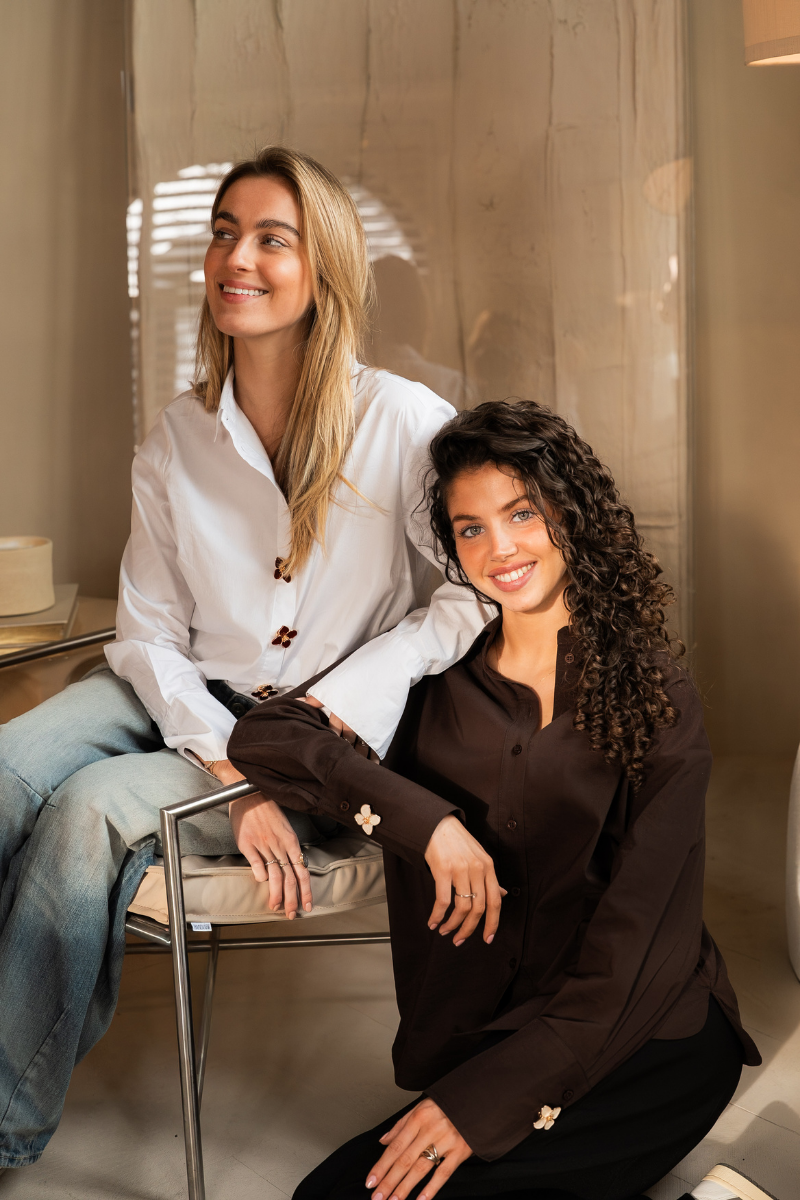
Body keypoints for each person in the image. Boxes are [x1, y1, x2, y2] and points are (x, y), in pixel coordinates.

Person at [0, 146, 488, 1173]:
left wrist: (341, 708)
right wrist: (232, 770)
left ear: (325, 267)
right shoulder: (179, 436)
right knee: (6, 773)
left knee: (85, 812)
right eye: (225, 232)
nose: (237, 257)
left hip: (317, 737)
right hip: (175, 693)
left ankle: (3, 1121)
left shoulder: (403, 423)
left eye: (272, 238)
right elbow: (146, 634)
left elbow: (471, 592)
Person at [228, 400, 771, 1200]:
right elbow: (269, 736)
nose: (500, 548)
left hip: (647, 1031)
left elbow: (636, 938)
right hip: (494, 1031)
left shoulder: (657, 695)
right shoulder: (428, 677)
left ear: (570, 513)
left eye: (522, 513)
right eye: (470, 528)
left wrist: (482, 1104)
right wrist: (429, 826)